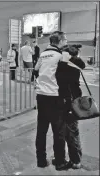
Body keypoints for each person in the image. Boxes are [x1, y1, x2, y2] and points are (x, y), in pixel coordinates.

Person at [34, 31, 68, 171]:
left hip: (41, 95)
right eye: (65, 40)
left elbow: (35, 70)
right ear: (59, 41)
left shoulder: (43, 54)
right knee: (58, 130)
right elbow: (65, 77)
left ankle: (41, 160)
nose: (66, 42)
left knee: (41, 129)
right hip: (54, 96)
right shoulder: (61, 55)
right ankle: (60, 162)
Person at [55, 44, 85, 169]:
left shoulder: (65, 67)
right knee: (71, 131)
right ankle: (75, 159)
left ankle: (75, 160)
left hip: (67, 102)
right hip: (72, 101)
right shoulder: (74, 65)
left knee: (69, 132)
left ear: (68, 55)